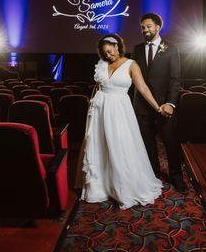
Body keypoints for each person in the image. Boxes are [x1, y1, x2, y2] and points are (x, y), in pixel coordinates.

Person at [78, 34, 163, 210]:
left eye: (110, 51)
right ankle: (100, 186)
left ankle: (123, 187)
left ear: (118, 47)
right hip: (100, 109)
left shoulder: (131, 65)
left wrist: (157, 107)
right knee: (100, 145)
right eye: (104, 53)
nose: (108, 56)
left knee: (120, 145)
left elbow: (143, 88)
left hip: (119, 110)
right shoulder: (102, 64)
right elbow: (98, 86)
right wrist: (92, 104)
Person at [132, 12, 187, 192]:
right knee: (147, 144)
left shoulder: (171, 48)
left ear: (158, 27)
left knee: (171, 143)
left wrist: (170, 104)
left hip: (164, 107)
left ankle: (176, 176)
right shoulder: (137, 49)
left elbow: (175, 79)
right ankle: (153, 174)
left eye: (148, 26)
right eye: (142, 27)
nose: (144, 30)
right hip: (142, 107)